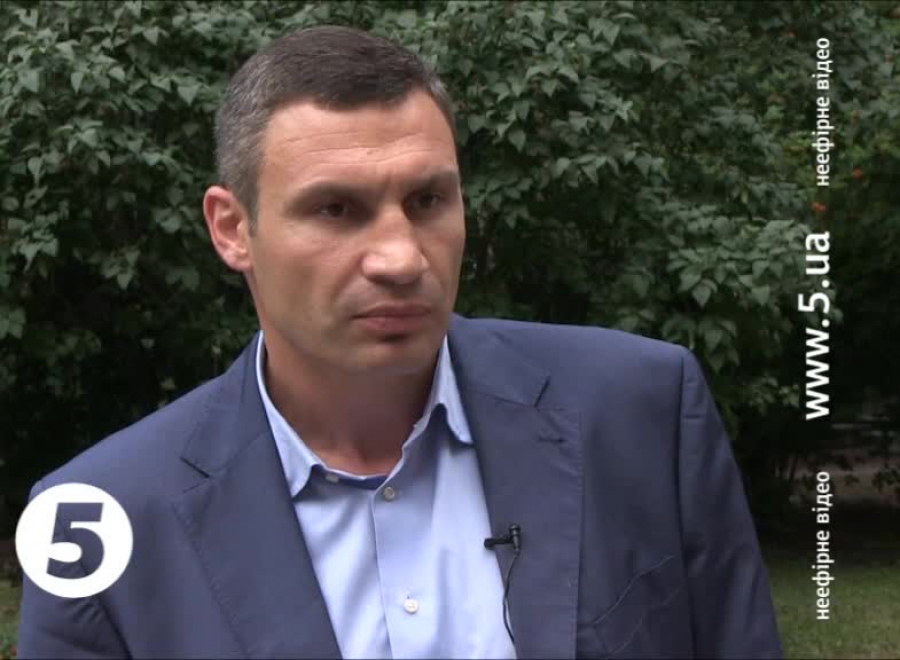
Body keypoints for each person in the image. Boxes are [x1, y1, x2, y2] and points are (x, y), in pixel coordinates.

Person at [17, 25, 782, 659]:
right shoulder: (99, 518)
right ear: (232, 229)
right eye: (337, 209)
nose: (401, 257)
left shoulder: (640, 410)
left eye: (427, 200)